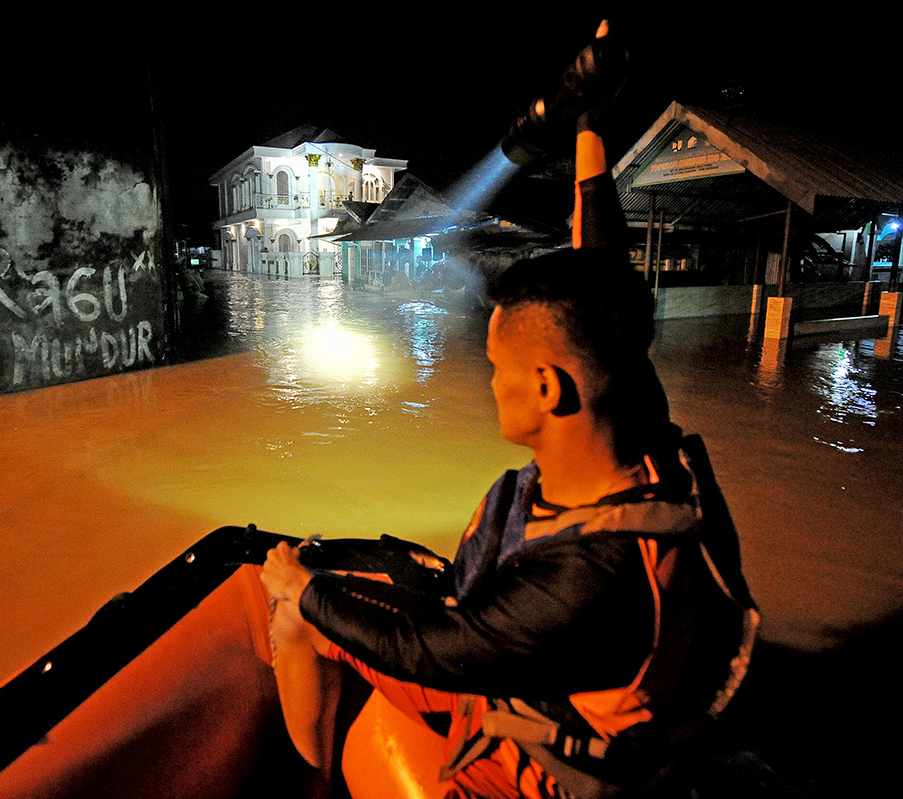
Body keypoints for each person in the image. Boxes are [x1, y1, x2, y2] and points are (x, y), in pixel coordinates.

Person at [261, 116, 758, 799]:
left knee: (300, 612)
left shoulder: (588, 575)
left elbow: (436, 649)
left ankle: (314, 786)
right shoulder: (636, 431)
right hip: (540, 680)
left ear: (548, 388)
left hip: (543, 764)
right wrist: (590, 124)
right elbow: (604, 268)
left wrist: (303, 587)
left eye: (498, 366)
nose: (489, 379)